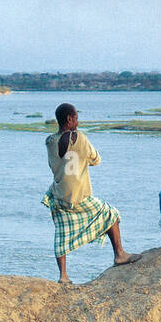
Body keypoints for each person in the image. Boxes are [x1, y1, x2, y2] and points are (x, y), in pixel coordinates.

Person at [41, 103, 139, 284]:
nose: (78, 121)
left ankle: (63, 276)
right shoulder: (80, 138)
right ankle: (119, 254)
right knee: (111, 214)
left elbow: (58, 156)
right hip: (79, 196)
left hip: (59, 195)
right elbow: (96, 159)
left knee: (61, 234)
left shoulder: (49, 141)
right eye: (76, 118)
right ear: (70, 119)